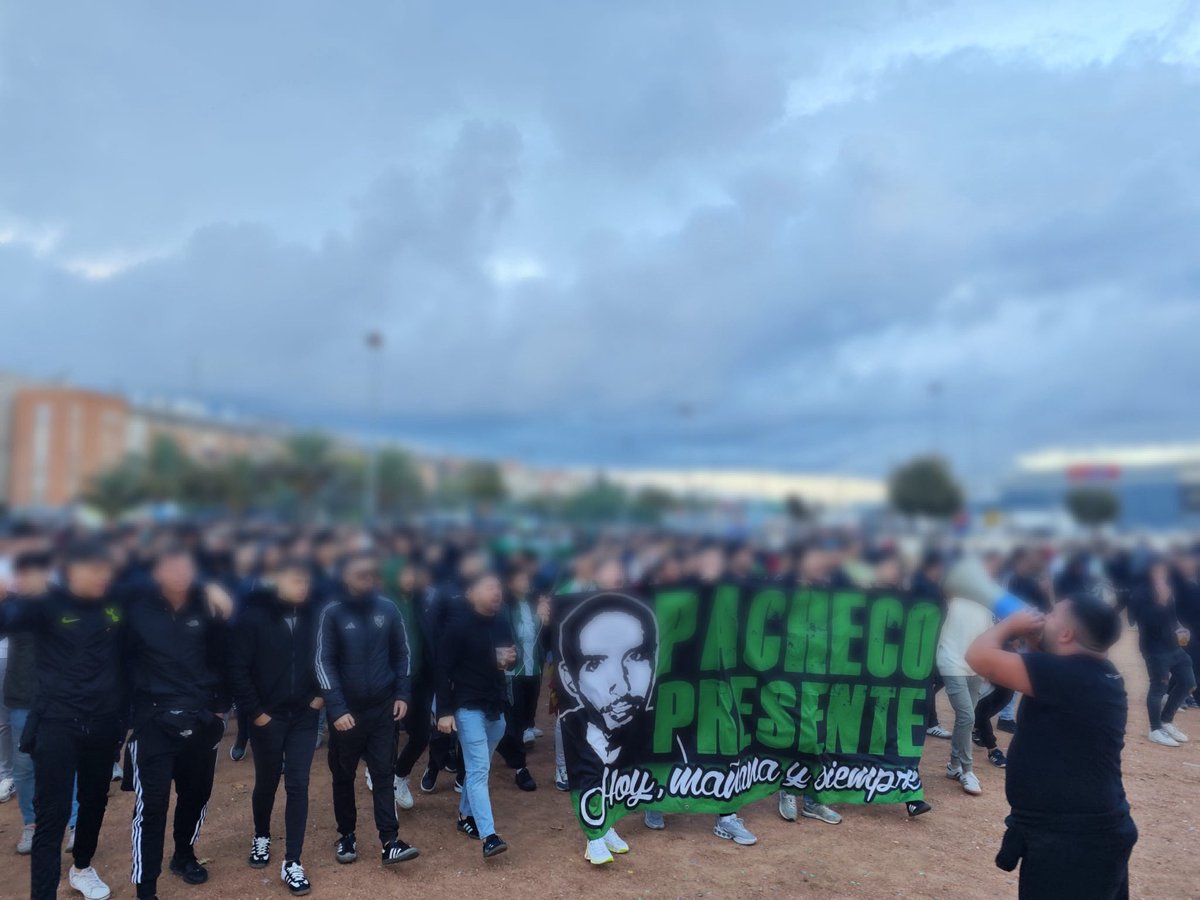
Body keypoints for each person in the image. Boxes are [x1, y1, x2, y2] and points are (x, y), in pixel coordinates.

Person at [966, 597, 1137, 900]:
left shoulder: (1065, 674)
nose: (1043, 617)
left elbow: (978, 656)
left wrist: (1010, 624)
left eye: (1053, 615)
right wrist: (1036, 641)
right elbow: (1045, 671)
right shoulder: (1097, 672)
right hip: (1087, 833)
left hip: (1072, 841)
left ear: (1067, 634)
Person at [0, 542, 121, 900]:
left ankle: (82, 868)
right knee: (51, 818)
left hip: (103, 724)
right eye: (91, 568)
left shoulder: (116, 604)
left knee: (95, 801)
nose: (100, 576)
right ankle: (43, 894)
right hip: (56, 724)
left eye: (105, 568)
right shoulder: (44, 605)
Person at [122, 546, 234, 899]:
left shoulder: (208, 606)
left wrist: (219, 710)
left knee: (196, 796)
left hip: (201, 718)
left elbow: (225, 658)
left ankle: (184, 855)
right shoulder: (134, 607)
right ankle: (147, 888)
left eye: (185, 562)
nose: (178, 570)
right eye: (169, 563)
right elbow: (119, 661)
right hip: (153, 721)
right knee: (152, 807)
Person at [316, 551, 419, 866]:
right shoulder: (332, 613)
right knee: (343, 774)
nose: (367, 579)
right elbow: (323, 661)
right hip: (346, 713)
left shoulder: (387, 610)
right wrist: (336, 708)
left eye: (371, 574)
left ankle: (390, 840)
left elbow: (402, 654)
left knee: (383, 773)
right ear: (346, 577)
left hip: (383, 709)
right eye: (360, 574)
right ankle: (346, 835)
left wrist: (402, 693)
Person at [228, 557, 323, 896]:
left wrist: (318, 698)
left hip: (304, 715)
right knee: (267, 781)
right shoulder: (253, 618)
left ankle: (293, 860)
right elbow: (238, 670)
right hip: (267, 718)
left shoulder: (316, 616)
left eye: (306, 580)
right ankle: (261, 836)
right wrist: (256, 714)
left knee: (298, 783)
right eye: (296, 579)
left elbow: (326, 658)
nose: (304, 586)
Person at [3, 551, 83, 855]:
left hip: (62, 697)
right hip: (23, 696)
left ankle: (75, 824)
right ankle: (30, 823)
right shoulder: (14, 607)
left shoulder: (64, 602)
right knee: (24, 767)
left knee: (68, 761)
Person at [435, 571, 513, 859]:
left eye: (498, 587)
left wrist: (509, 662)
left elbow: (505, 662)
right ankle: (489, 836)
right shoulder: (457, 628)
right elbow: (441, 670)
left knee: (479, 768)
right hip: (467, 707)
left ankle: (464, 817)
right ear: (472, 594)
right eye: (490, 587)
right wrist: (444, 711)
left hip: (495, 705)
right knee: (479, 770)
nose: (497, 592)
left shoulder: (503, 621)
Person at [1134, 559, 1194, 747]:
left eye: (1163, 572)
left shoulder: (1166, 590)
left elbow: (1172, 616)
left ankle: (1166, 721)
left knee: (1188, 683)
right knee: (1158, 687)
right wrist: (1160, 602)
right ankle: (1155, 729)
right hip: (1154, 649)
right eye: (1157, 572)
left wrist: (1180, 626)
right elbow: (1147, 623)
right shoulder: (1140, 594)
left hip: (1174, 645)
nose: (1161, 575)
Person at [496, 565, 545, 791]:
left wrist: (546, 617)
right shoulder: (503, 608)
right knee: (513, 720)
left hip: (533, 668)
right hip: (512, 672)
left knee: (526, 715)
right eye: (521, 578)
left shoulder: (533, 604)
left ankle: (510, 749)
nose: (526, 582)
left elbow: (542, 634)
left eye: (527, 578)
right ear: (510, 583)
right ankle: (520, 768)